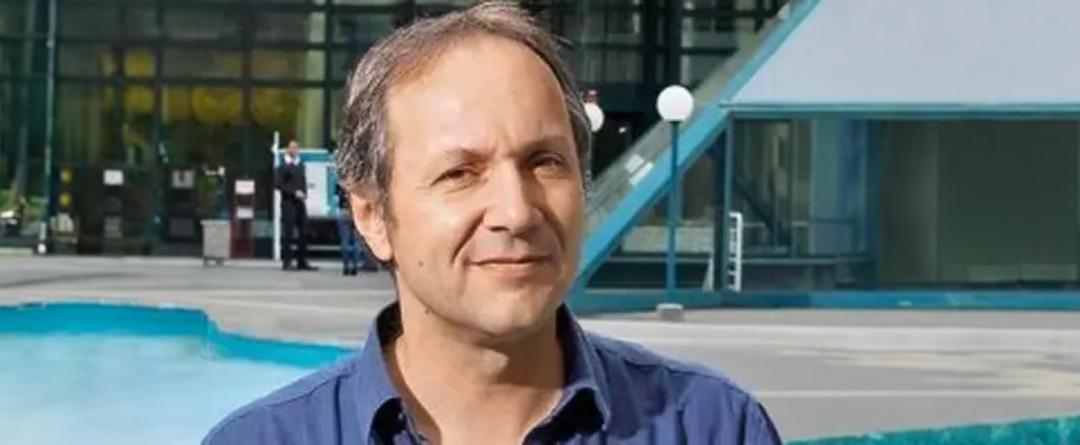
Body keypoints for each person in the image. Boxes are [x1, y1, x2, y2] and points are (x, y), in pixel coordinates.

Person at [204, 3, 780, 444]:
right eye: (460, 173)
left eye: (544, 162)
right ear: (372, 215)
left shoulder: (713, 428)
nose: (516, 211)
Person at [275, 140, 317, 271]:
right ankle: (287, 261)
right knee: (288, 232)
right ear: (288, 149)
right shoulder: (282, 166)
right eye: (292, 148)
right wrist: (293, 192)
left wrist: (304, 193)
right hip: (288, 202)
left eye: (296, 148)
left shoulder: (300, 164)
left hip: (300, 202)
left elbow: (303, 181)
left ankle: (302, 261)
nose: (294, 150)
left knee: (303, 231)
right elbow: (278, 184)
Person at [335, 183, 373, 275]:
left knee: (345, 240)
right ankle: (354, 266)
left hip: (344, 211)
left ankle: (346, 266)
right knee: (356, 241)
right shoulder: (358, 183)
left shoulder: (341, 183)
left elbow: (336, 195)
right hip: (356, 212)